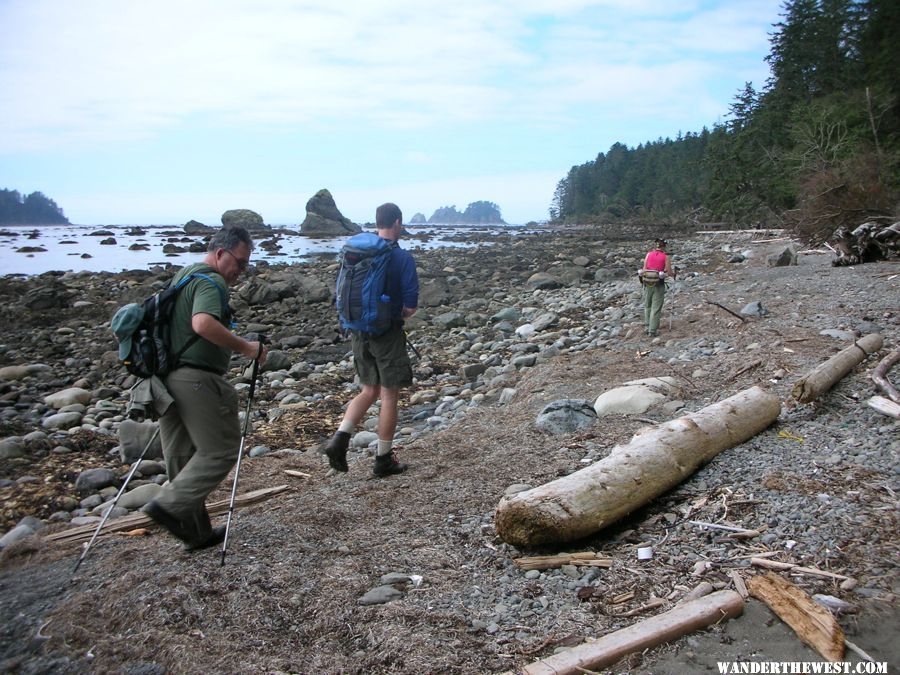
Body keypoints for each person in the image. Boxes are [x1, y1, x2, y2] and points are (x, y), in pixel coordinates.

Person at [142, 226, 268, 551]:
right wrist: (246, 348)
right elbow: (202, 323)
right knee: (222, 449)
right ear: (220, 254)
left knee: (181, 457)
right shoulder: (211, 282)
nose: (241, 271)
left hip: (166, 380)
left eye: (245, 266)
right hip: (195, 379)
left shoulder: (183, 277)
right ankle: (168, 506)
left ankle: (195, 533)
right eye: (239, 263)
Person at [324, 202, 419, 477]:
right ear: (398, 223)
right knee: (389, 395)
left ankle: (340, 437)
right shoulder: (401, 258)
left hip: (358, 330)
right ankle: (383, 459)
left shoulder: (358, 254)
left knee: (368, 390)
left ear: (378, 223)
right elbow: (411, 307)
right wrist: (392, 313)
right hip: (386, 333)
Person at [641, 238, 675, 337]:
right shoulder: (665, 257)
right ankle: (652, 330)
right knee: (656, 306)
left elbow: (644, 268)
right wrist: (673, 274)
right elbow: (669, 272)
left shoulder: (648, 254)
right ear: (664, 246)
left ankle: (647, 326)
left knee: (647, 305)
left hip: (647, 282)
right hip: (658, 283)